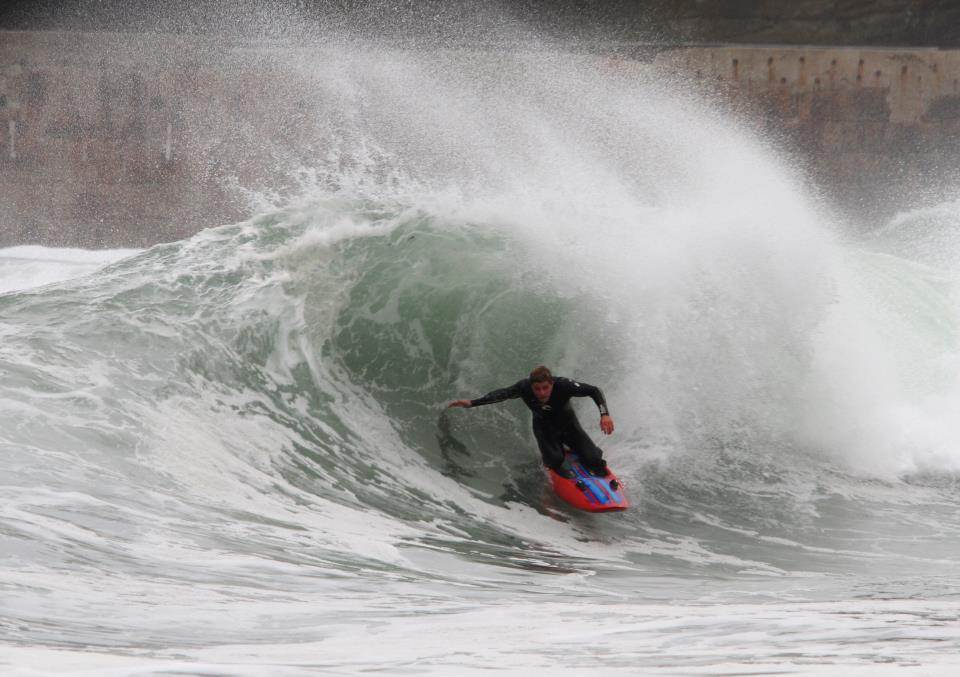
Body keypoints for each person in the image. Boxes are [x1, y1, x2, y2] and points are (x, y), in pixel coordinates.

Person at [447, 365, 615, 478]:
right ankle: (553, 454)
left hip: (569, 426)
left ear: (552, 383)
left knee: (594, 460)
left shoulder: (563, 385)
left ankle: (584, 450)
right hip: (544, 429)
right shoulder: (524, 388)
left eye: (545, 388)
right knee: (555, 460)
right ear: (531, 386)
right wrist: (472, 403)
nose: (541, 393)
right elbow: (502, 394)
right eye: (537, 389)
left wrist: (604, 414)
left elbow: (594, 390)